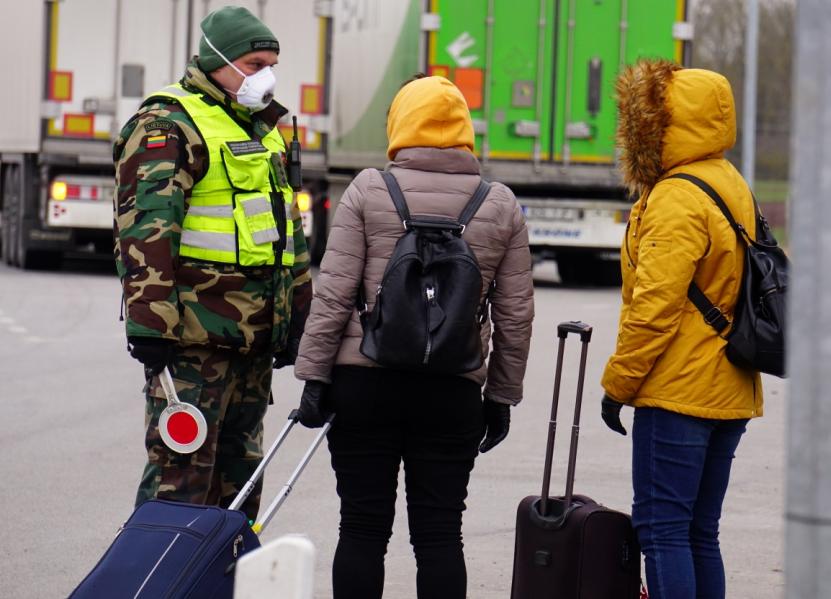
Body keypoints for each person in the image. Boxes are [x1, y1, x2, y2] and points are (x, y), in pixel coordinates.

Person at [293, 75, 534, 599]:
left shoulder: (369, 189)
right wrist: (501, 397)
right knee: (441, 534)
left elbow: (333, 293)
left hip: (364, 382)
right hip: (452, 389)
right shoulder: (500, 204)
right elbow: (515, 315)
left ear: (401, 125)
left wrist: (313, 375)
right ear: (465, 132)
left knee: (360, 528)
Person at [112, 5, 312, 521]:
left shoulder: (263, 129)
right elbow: (147, 231)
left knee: (239, 493)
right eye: (253, 63)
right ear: (215, 61)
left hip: (252, 345)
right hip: (192, 345)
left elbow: (287, 233)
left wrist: (299, 319)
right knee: (179, 486)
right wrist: (150, 324)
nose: (265, 75)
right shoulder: (168, 124)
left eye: (271, 63)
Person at [598, 59, 763, 599]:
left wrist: (618, 384)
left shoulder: (675, 196)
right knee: (699, 532)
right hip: (730, 385)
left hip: (679, 392)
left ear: (660, 124)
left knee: (662, 530)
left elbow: (654, 307)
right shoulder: (732, 183)